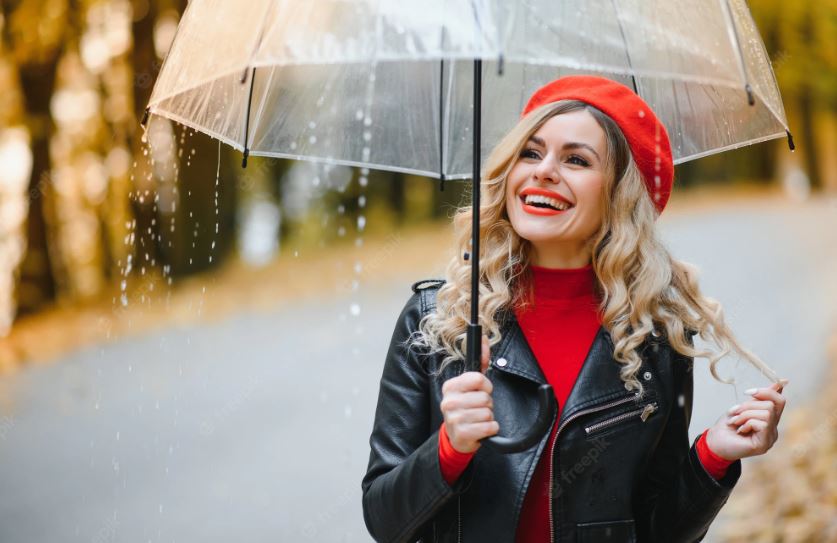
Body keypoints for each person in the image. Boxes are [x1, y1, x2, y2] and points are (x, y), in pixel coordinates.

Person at [361, 75, 788, 543]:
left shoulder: (654, 335)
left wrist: (712, 456)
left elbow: (654, 530)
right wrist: (449, 448)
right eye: (530, 151)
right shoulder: (437, 317)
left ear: (619, 195)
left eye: (576, 159)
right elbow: (385, 520)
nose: (543, 170)